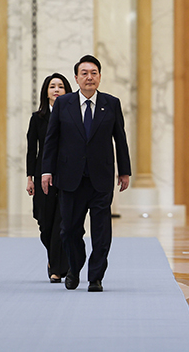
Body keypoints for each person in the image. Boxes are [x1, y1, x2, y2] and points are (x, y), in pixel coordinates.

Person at [41, 55, 131, 293]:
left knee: (102, 231)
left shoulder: (111, 103)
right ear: (76, 78)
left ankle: (95, 277)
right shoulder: (63, 104)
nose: (89, 77)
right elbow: (51, 140)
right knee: (69, 230)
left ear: (99, 77)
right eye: (84, 73)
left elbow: (120, 139)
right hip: (70, 179)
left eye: (93, 73)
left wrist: (125, 171)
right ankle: (73, 267)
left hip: (101, 179)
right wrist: (46, 171)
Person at [27, 73, 72, 283]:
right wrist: (29, 178)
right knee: (45, 223)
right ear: (46, 91)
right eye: (52, 86)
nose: (56, 90)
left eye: (60, 86)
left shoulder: (72, 115)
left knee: (60, 222)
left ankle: (57, 267)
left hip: (65, 174)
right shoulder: (38, 118)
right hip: (41, 174)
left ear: (66, 91)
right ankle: (55, 260)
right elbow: (31, 150)